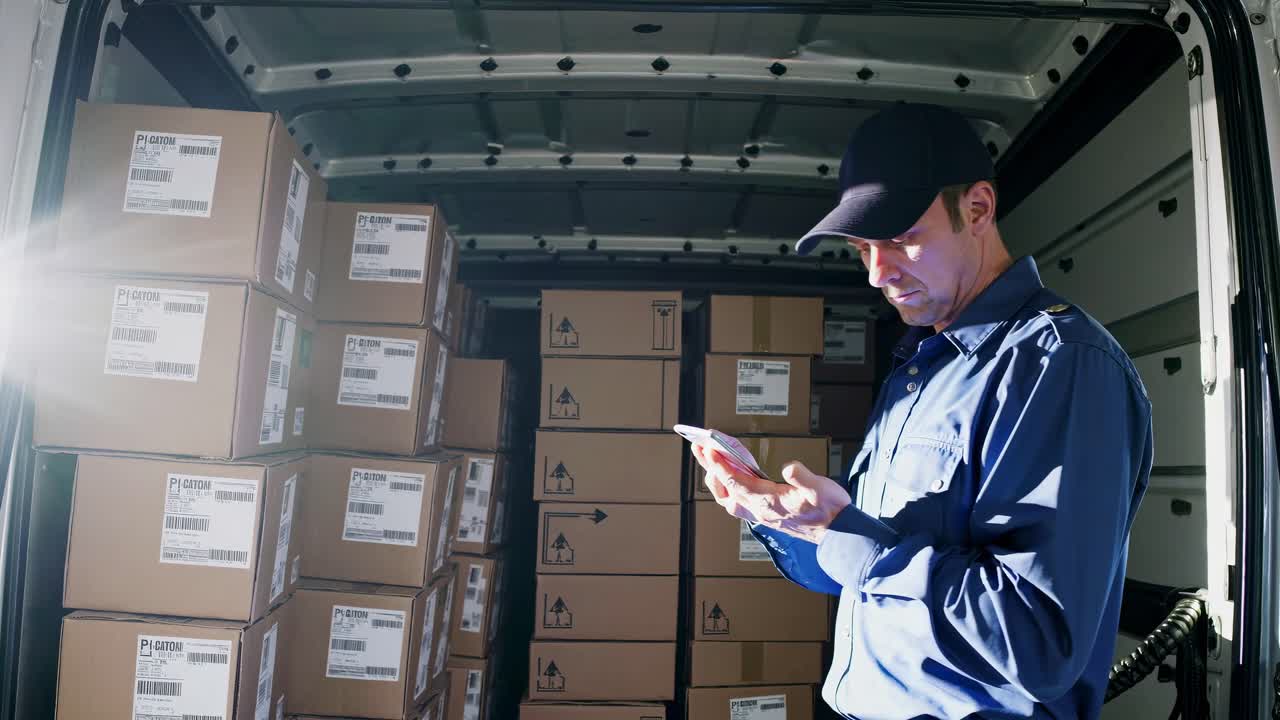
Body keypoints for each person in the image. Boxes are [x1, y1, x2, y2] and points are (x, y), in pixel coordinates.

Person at [692, 102, 1153, 719]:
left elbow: (1039, 640)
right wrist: (777, 516)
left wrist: (849, 536)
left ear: (978, 209)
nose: (879, 273)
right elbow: (857, 574)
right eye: (862, 248)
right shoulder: (925, 366)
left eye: (902, 238)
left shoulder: (1058, 365)